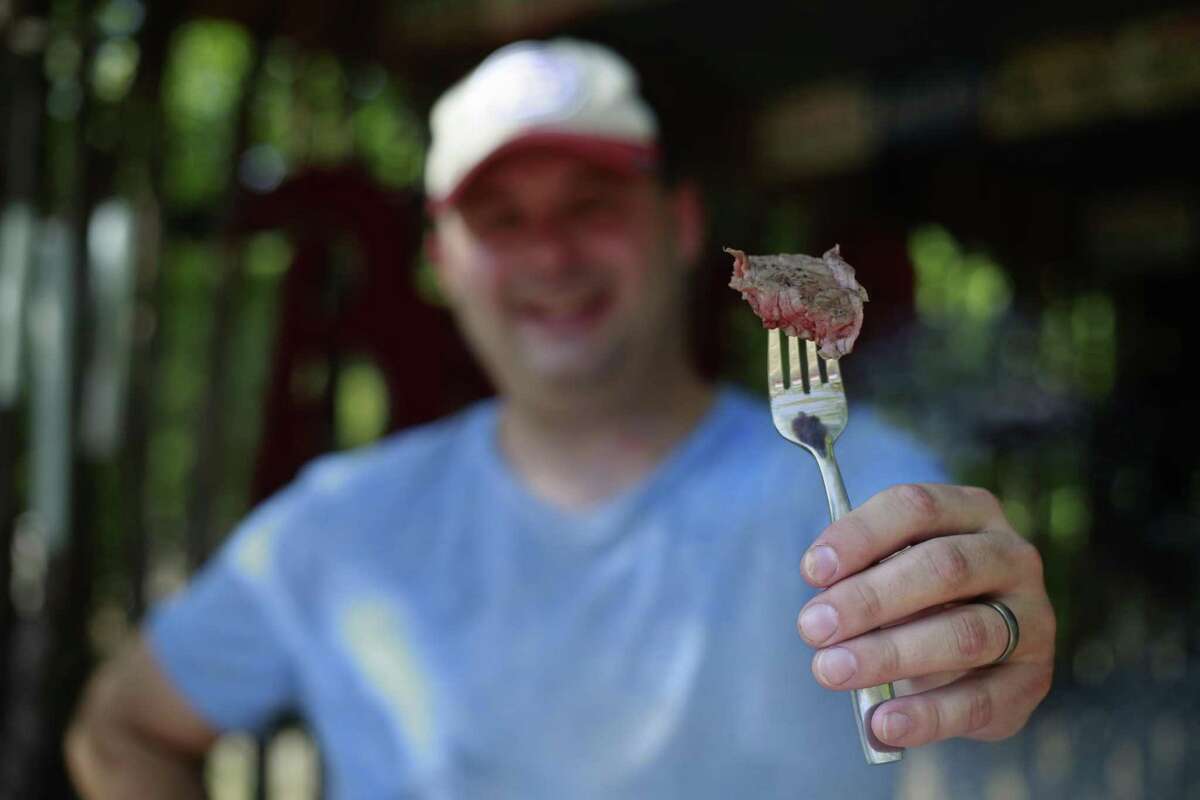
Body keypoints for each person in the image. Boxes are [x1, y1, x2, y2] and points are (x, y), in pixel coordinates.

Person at [65, 38, 1055, 798]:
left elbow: (994, 678)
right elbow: (117, 727)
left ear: (680, 225)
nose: (550, 253)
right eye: (500, 219)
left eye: (591, 203)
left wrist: (1011, 644)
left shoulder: (858, 477)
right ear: (442, 263)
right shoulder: (332, 526)